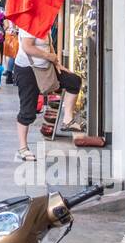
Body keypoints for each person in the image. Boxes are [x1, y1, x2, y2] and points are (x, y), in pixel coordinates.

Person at [14, 26, 83, 161]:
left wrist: (58, 65)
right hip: (27, 71)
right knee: (28, 110)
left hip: (46, 68)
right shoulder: (29, 23)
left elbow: (49, 46)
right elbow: (27, 47)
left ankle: (67, 119)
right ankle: (23, 148)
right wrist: (48, 56)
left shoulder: (45, 23)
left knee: (73, 81)